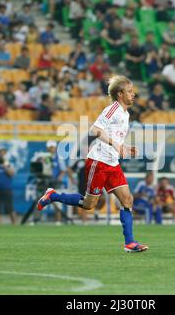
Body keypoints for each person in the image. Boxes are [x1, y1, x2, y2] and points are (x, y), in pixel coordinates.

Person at [36, 75, 149, 252]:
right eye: (129, 91)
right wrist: (115, 144)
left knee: (127, 199)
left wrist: (124, 147)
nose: (133, 94)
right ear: (120, 94)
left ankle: (129, 243)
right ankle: (53, 196)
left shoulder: (125, 114)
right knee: (89, 205)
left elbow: (114, 135)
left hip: (113, 163)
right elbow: (95, 130)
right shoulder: (112, 109)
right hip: (99, 161)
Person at [0, 148, 17, 225]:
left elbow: (12, 174)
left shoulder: (9, 164)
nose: (2, 155)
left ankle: (15, 225)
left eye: (4, 154)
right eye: (1, 154)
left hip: (7, 189)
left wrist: (5, 166)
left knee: (10, 208)